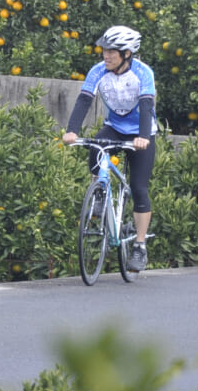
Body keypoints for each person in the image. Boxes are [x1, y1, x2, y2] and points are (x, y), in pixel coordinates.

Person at [62, 25, 156, 272]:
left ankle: (139, 245)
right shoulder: (98, 71)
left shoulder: (143, 73)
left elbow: (147, 106)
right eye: (104, 50)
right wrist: (72, 130)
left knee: (138, 188)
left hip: (141, 133)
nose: (106, 55)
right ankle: (100, 195)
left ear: (126, 53)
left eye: (111, 52)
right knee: (95, 147)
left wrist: (143, 136)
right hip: (114, 128)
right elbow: (84, 100)